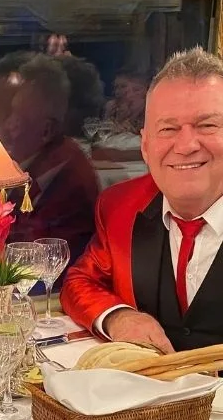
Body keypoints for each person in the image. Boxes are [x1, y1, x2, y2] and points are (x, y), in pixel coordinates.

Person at [61, 46, 223, 354]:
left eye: (207, 125)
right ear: (145, 146)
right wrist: (117, 317)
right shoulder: (119, 206)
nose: (186, 145)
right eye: (168, 129)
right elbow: (79, 281)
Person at [3, 54, 100, 273]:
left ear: (46, 130)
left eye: (16, 118)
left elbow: (38, 263)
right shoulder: (44, 163)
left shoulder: (65, 178)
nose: (7, 126)